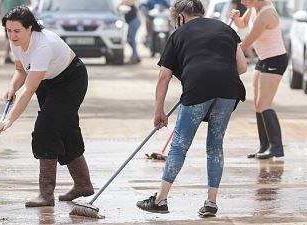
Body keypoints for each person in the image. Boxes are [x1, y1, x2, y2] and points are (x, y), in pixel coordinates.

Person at [136, 0, 247, 217]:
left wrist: (159, 111)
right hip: (228, 88)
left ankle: (160, 200)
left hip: (198, 87)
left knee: (179, 145)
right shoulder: (225, 29)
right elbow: (241, 67)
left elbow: (164, 77)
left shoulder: (178, 34)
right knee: (215, 146)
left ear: (180, 17)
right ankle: (211, 203)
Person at [0, 6, 94, 207]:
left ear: (30, 28)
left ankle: (46, 195)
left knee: (45, 130)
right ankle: (83, 184)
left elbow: (29, 90)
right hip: (47, 81)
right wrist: (12, 87)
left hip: (71, 80)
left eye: (16, 31)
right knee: (64, 129)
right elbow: (21, 69)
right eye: (8, 31)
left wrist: (9, 120)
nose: (12, 35)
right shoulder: (15, 41)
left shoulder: (43, 45)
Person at [231, 0, 288, 159]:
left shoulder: (266, 13)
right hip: (263, 59)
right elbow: (243, 24)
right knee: (257, 104)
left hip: (275, 60)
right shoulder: (254, 7)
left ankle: (276, 148)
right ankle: (264, 147)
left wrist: (224, 49)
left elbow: (246, 42)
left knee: (264, 103)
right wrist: (236, 19)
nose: (242, 2)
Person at [120, 0, 141, 64]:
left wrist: (124, 3)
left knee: (131, 39)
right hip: (131, 23)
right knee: (130, 39)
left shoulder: (130, 2)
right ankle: (136, 56)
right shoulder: (124, 3)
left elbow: (130, 2)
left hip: (134, 22)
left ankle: (134, 58)